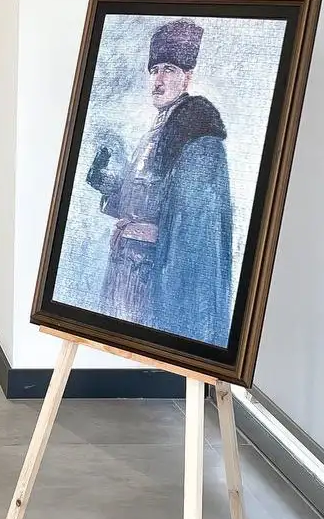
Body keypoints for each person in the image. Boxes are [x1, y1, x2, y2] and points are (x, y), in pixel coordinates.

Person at [86, 19, 233, 346]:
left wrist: (146, 233)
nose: (159, 80)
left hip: (155, 279)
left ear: (187, 77)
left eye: (169, 69)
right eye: (154, 70)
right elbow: (142, 198)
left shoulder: (198, 135)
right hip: (126, 271)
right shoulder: (158, 128)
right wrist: (109, 184)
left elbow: (195, 230)